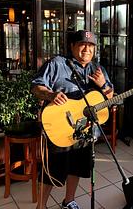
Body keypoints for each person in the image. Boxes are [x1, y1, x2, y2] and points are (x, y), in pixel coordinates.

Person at [31, 30, 113, 209]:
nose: (87, 49)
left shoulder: (97, 69)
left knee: (76, 166)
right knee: (51, 171)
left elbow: (110, 96)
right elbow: (36, 87)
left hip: (84, 130)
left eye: (91, 46)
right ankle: (41, 206)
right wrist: (51, 94)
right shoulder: (57, 64)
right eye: (82, 44)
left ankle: (69, 201)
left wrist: (103, 85)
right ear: (72, 46)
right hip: (59, 127)